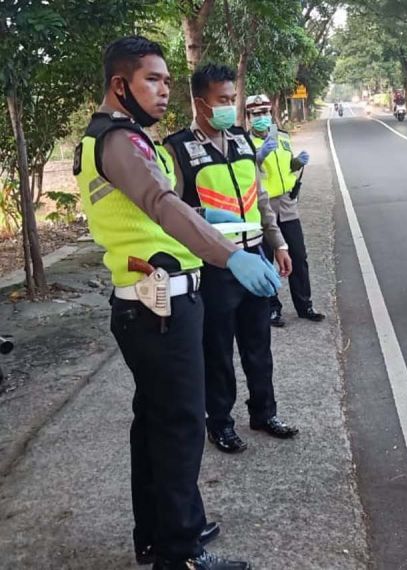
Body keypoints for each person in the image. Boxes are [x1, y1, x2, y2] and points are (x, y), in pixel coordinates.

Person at [74, 35, 270, 570]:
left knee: (155, 423)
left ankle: (159, 533)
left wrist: (210, 220)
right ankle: (180, 553)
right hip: (159, 308)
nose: (164, 91)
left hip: (148, 306)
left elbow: (158, 208)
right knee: (180, 426)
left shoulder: (123, 137)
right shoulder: (120, 140)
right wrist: (231, 255)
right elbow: (161, 203)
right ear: (121, 84)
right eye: (152, 80)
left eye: (166, 80)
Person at [164, 64, 300, 455]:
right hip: (215, 265)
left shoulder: (242, 140)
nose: (229, 106)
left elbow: (261, 200)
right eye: (221, 100)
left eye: (231, 99)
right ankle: (220, 423)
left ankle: (264, 412)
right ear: (200, 103)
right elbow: (173, 211)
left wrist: (278, 244)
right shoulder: (177, 149)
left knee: (259, 344)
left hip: (255, 256)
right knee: (218, 349)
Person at [245, 94, 325, 327]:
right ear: (249, 117)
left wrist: (297, 162)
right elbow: (246, 171)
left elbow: (287, 165)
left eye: (264, 113)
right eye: (256, 114)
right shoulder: (244, 143)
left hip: (288, 205)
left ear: (271, 113)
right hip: (264, 207)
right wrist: (259, 157)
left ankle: (305, 305)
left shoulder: (282, 136)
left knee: (298, 256)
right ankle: (272, 308)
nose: (261, 117)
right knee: (267, 259)